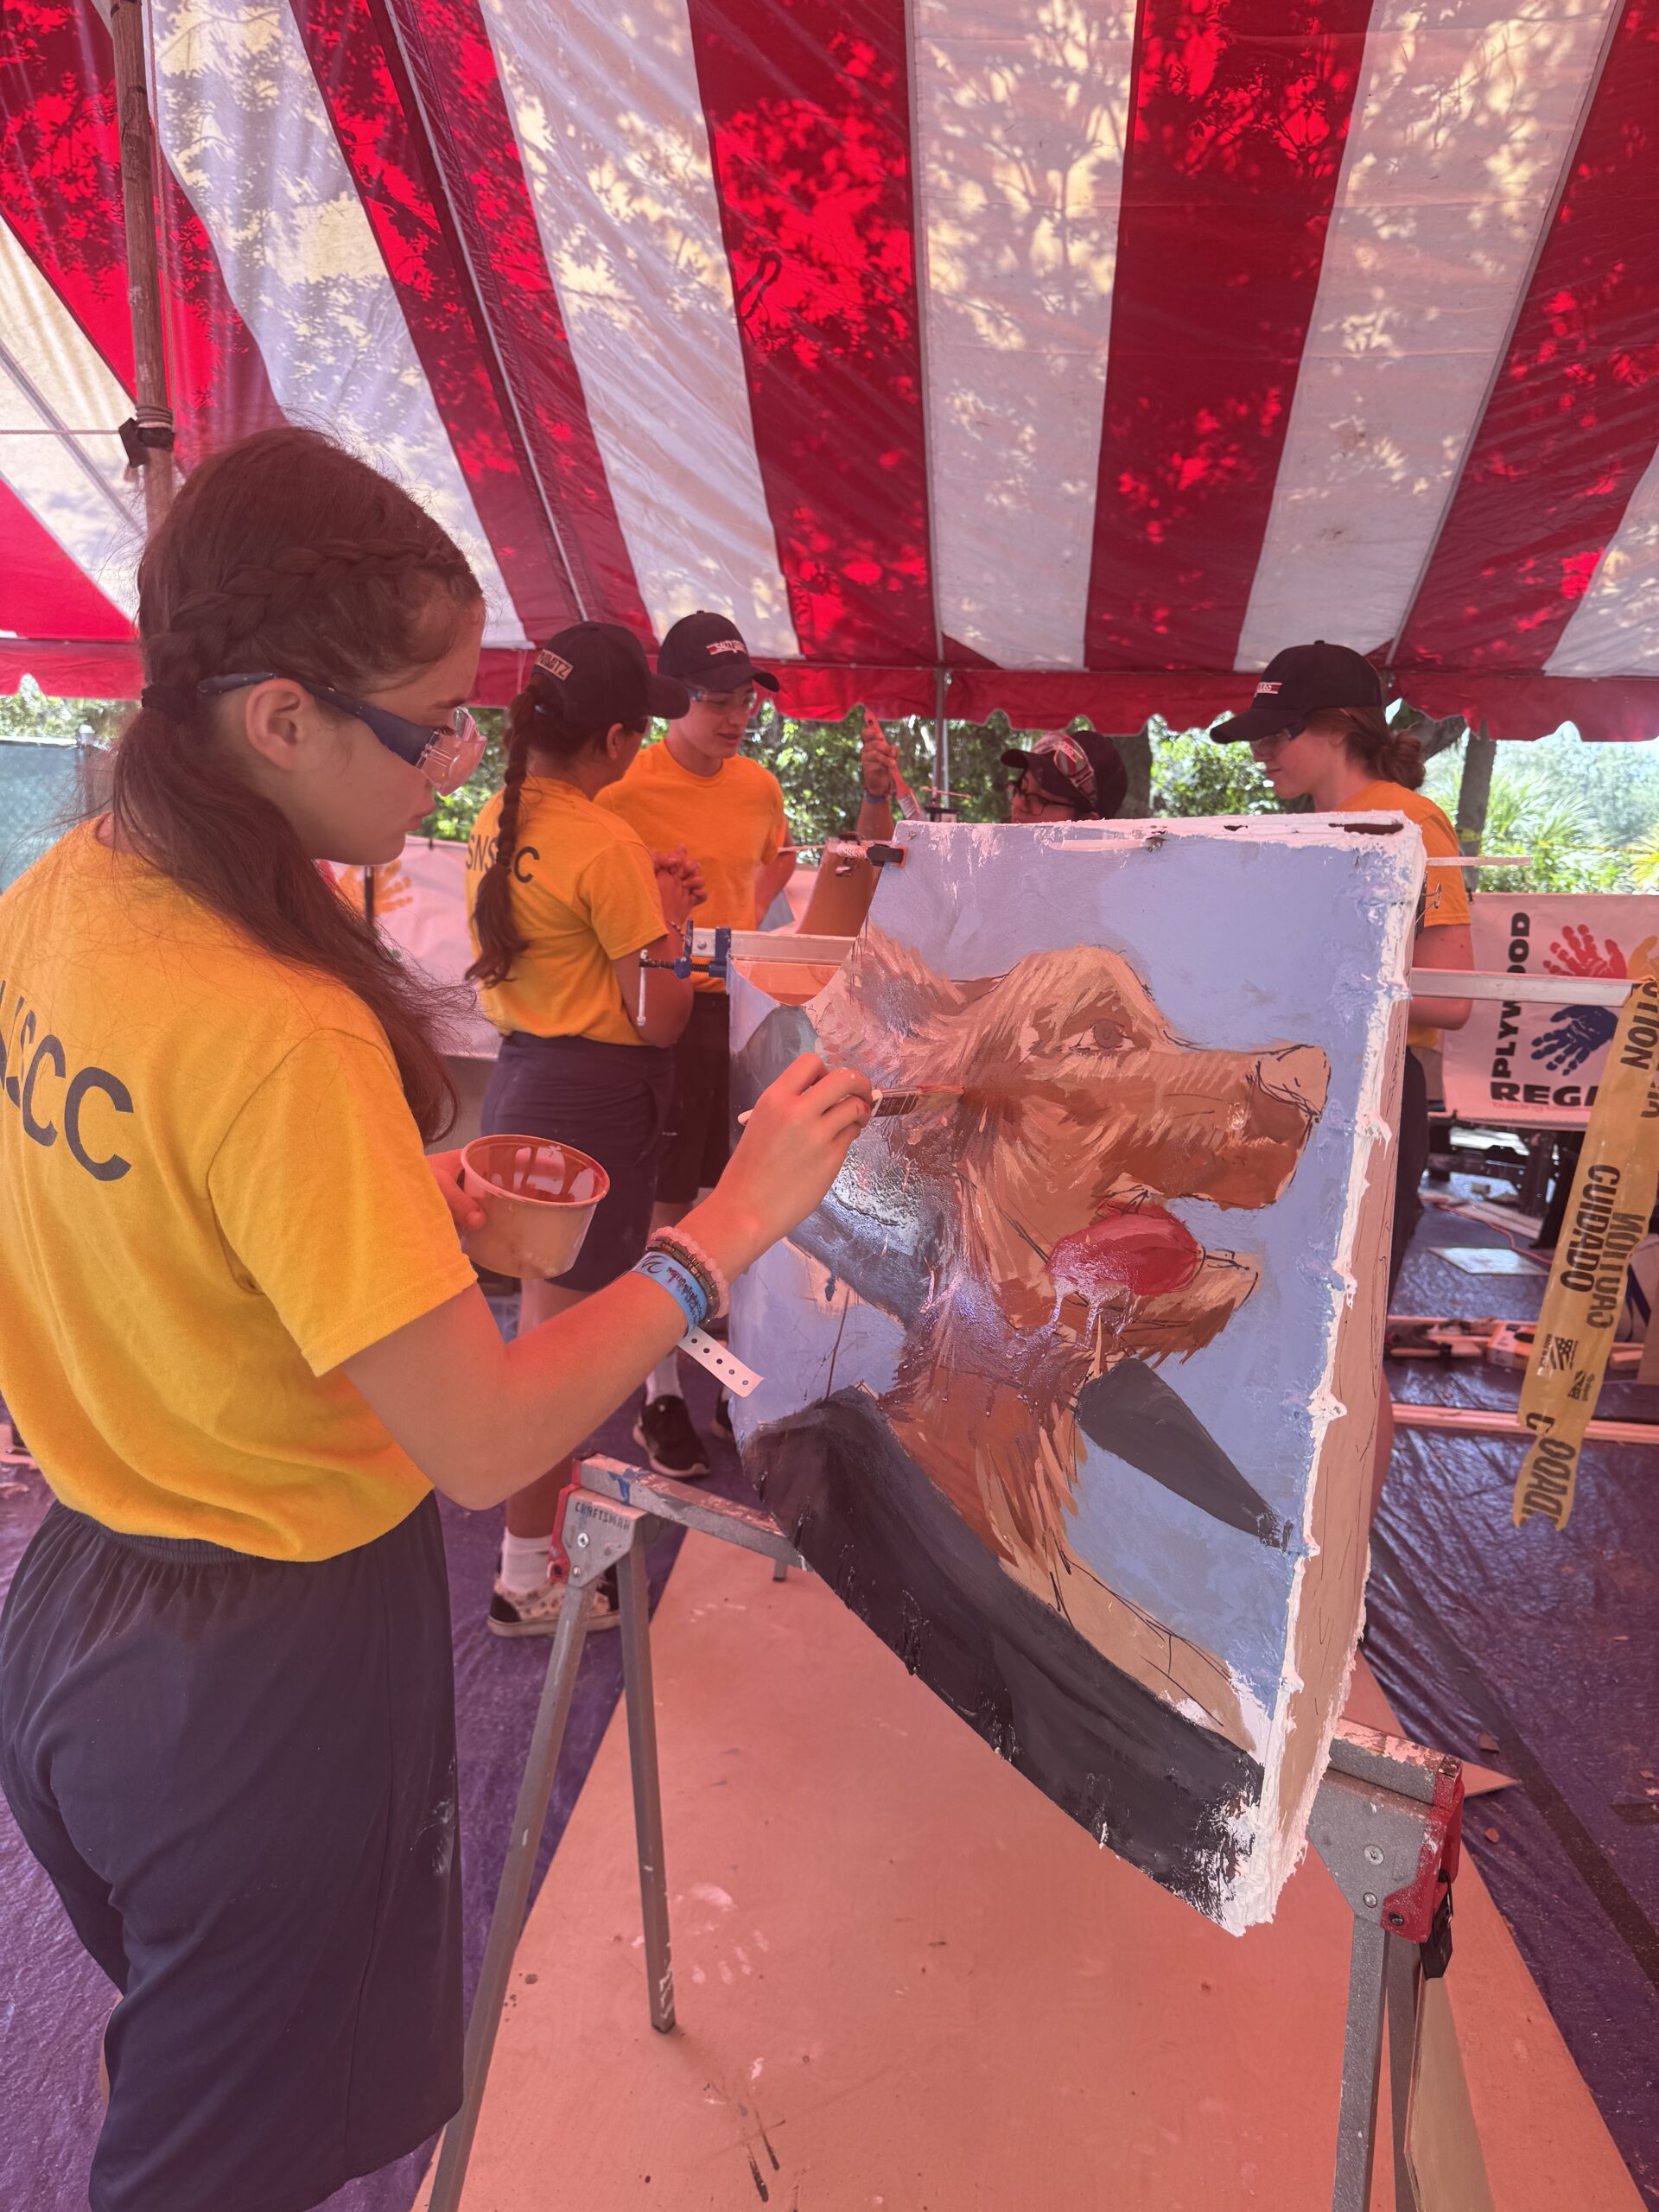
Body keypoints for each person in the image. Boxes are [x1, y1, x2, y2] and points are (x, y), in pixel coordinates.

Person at [0, 427, 868, 2212]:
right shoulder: (282, 1023)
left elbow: (135, 1196)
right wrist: (720, 1230)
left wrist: (382, 1218)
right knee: (209, 2161)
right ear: (279, 719)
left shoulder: (67, 891)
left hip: (79, 1608)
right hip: (265, 1668)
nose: (455, 765)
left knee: (192, 2045)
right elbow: (483, 1440)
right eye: (427, 727)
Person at [464, 621, 703, 1633]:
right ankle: (527, 1577)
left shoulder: (500, 810)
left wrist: (651, 905)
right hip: (589, 1104)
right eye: (640, 730)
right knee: (556, 1363)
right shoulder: (604, 844)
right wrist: (672, 918)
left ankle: (531, 1558)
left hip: (528, 1085)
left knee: (541, 1336)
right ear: (614, 740)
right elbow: (663, 1015)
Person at [1211, 639, 1474, 1505]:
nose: (1261, 753)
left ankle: (1348, 1541)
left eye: (1276, 733)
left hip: (1376, 1096)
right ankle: (1297, 1522)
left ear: (1336, 727)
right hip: (1298, 1093)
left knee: (1345, 1341)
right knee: (1287, 1326)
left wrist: (1323, 975)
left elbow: (1454, 995)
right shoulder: (1300, 833)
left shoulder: (1408, 821)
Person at [594, 611, 798, 1474]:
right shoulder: (621, 793)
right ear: (672, 699)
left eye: (746, 699)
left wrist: (753, 910)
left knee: (740, 1199)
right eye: (717, 700)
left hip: (743, 1017)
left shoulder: (758, 788)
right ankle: (660, 1395)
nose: (736, 716)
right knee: (668, 1207)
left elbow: (776, 878)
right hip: (665, 1020)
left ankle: (730, 1380)